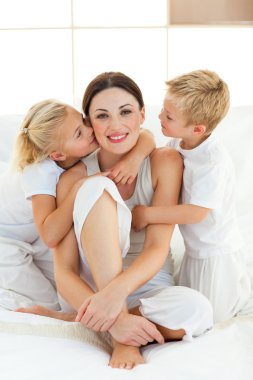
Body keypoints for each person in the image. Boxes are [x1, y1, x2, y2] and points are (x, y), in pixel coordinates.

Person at [19, 72, 213, 369]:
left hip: (145, 287)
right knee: (97, 186)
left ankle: (80, 321)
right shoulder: (75, 177)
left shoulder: (165, 162)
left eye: (125, 112)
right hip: (90, 292)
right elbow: (65, 273)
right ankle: (120, 336)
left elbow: (156, 250)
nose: (116, 125)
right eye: (102, 116)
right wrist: (115, 320)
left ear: (142, 115)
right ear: (90, 124)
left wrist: (116, 298)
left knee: (197, 310)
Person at [0, 99, 155, 311]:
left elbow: (146, 135)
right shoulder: (39, 173)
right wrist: (77, 188)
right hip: (7, 241)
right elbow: (50, 235)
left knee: (70, 290)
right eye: (79, 133)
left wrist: (135, 159)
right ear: (58, 155)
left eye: (83, 121)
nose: (90, 130)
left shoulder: (77, 150)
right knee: (50, 303)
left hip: (34, 232)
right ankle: (68, 319)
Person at [132, 69, 251, 323]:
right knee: (187, 301)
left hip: (214, 253)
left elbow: (196, 212)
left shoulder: (211, 163)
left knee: (212, 318)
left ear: (197, 129)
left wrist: (148, 214)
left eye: (169, 116)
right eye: (163, 109)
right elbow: (151, 147)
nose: (160, 116)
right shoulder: (179, 143)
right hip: (194, 250)